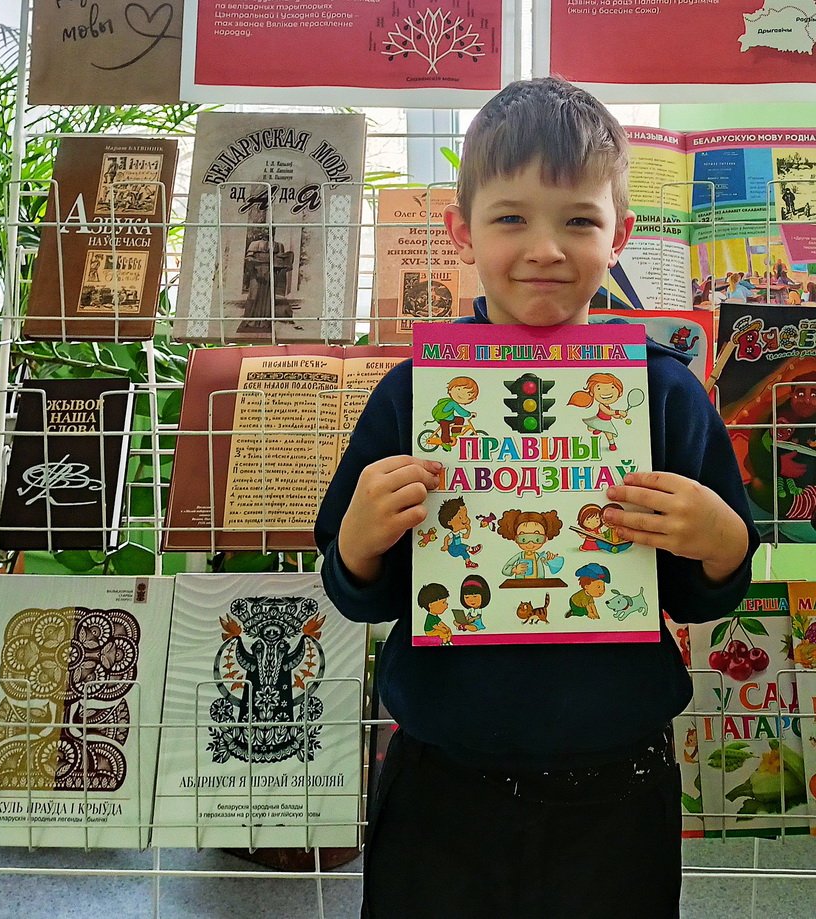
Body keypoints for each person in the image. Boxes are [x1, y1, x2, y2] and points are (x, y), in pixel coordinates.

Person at [314, 77, 757, 918]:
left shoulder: (664, 394)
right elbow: (357, 587)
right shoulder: (413, 394)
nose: (545, 248)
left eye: (579, 221)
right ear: (462, 231)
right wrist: (360, 543)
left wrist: (721, 540)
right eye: (511, 217)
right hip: (442, 781)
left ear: (619, 235)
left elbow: (704, 592)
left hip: (617, 783)